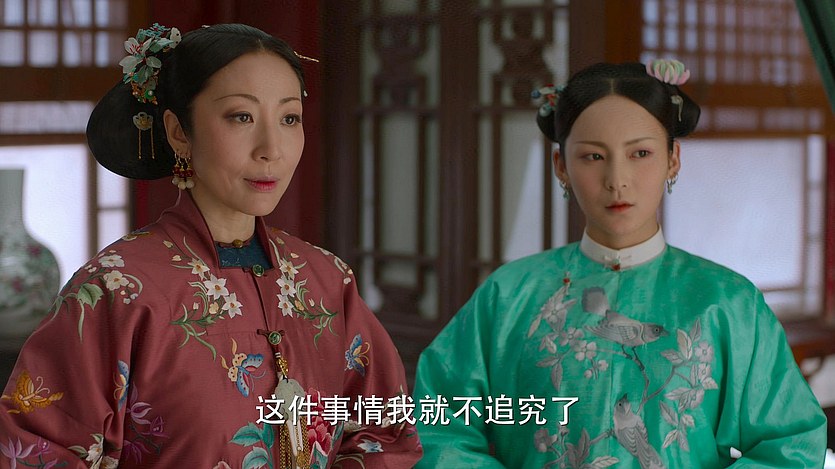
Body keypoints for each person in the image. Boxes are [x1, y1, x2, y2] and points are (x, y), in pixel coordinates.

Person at [0, 23, 422, 468]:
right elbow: (36, 451)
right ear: (179, 132)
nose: (271, 149)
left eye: (289, 118)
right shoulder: (117, 289)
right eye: (241, 117)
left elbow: (386, 430)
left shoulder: (327, 281)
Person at [412, 60, 827, 468]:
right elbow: (437, 427)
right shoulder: (509, 295)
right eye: (593, 156)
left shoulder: (727, 302)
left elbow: (790, 446)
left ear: (673, 159)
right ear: (561, 166)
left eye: (640, 153)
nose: (617, 179)